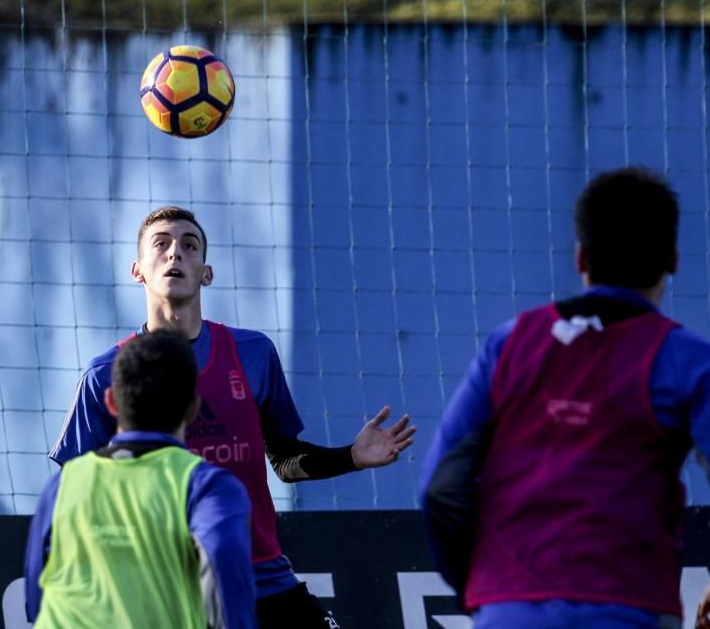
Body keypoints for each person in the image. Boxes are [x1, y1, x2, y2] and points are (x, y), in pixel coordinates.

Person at [420, 167, 710, 629]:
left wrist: (486, 591)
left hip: (509, 610)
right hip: (631, 609)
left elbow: (440, 489)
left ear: (580, 258)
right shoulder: (692, 362)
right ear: (672, 257)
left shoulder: (507, 347)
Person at [50, 205, 417, 629]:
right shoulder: (105, 375)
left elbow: (283, 460)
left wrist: (349, 456)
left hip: (264, 579)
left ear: (206, 273)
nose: (175, 254)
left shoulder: (253, 353)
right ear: (138, 270)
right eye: (162, 244)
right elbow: (75, 499)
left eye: (189, 246)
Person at [25, 329, 256, 628]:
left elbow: (35, 598)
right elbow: (224, 565)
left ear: (110, 402)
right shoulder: (208, 487)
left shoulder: (62, 485)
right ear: (193, 408)